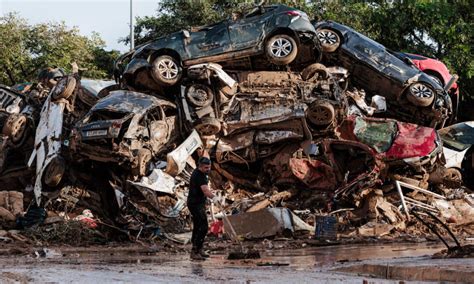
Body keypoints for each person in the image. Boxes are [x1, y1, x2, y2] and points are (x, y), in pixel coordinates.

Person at [187, 156, 220, 260]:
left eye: (209, 167)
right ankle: (195, 251)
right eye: (206, 167)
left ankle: (198, 249)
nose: (208, 169)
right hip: (195, 204)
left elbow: (204, 190)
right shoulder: (200, 176)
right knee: (203, 227)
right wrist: (214, 198)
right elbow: (205, 191)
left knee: (197, 226)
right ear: (200, 167)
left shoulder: (199, 173)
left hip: (196, 203)